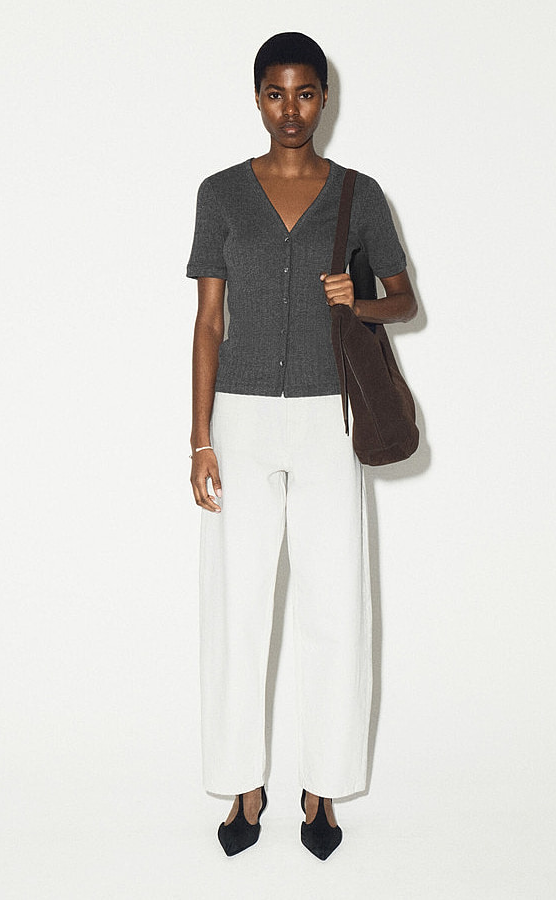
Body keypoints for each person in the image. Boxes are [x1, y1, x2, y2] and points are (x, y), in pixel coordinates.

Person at [186, 32, 417, 860]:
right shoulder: (220, 194)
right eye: (276, 93)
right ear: (257, 97)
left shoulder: (359, 194)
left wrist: (359, 300)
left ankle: (322, 785)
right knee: (237, 607)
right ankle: (242, 783)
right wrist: (199, 438)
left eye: (306, 92)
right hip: (241, 421)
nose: (291, 109)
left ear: (325, 97)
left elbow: (405, 302)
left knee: (334, 605)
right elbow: (208, 322)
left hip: (330, 421)